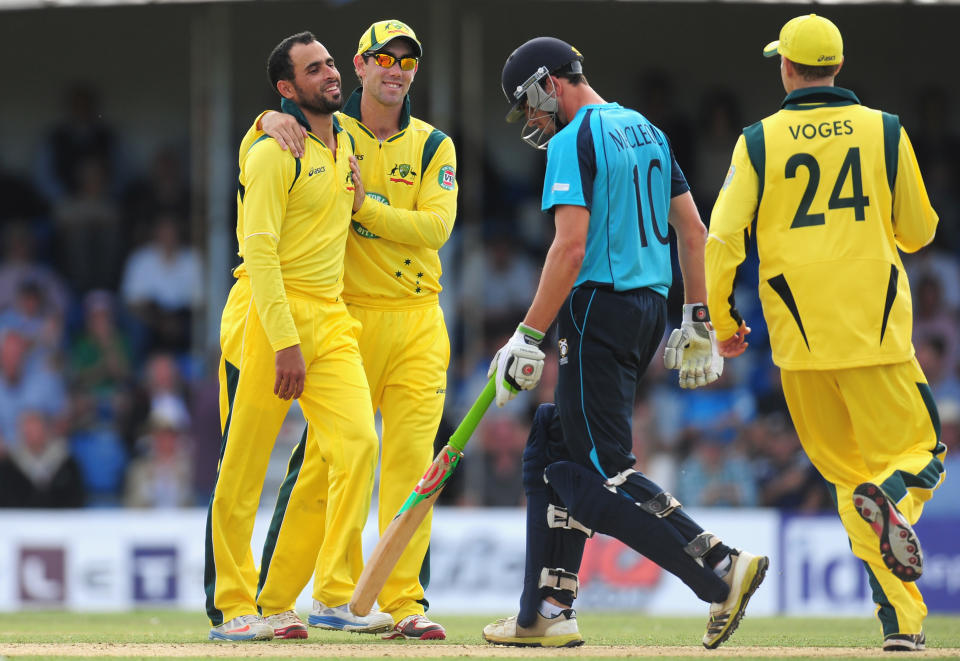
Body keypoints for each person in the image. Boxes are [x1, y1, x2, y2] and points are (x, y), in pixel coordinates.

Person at [481, 37, 768, 650]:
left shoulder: (571, 140)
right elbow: (692, 230)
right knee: (551, 445)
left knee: (600, 473)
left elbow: (570, 249)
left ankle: (720, 567)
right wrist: (697, 317)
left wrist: (527, 334)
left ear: (547, 84)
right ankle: (545, 608)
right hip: (648, 312)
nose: (532, 121)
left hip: (596, 308)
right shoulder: (649, 131)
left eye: (527, 105)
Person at [705, 15, 944, 652]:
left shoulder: (757, 141)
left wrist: (724, 323)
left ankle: (901, 622)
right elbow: (919, 232)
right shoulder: (884, 130)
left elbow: (723, 238)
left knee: (847, 481)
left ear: (786, 68)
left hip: (798, 342)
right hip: (875, 331)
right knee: (925, 455)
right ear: (838, 66)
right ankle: (891, 497)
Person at [242, 19, 456, 641]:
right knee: (325, 465)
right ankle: (280, 598)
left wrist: (369, 209)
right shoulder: (334, 132)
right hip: (349, 315)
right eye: (381, 58)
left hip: (420, 320)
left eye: (407, 60)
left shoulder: (433, 143)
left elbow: (435, 229)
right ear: (359, 67)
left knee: (414, 468)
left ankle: (403, 600)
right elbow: (270, 155)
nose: (395, 69)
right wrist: (266, 117)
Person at [203, 31, 385, 642]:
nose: (331, 73)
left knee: (358, 445)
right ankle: (234, 608)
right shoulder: (272, 148)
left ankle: (333, 594)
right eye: (314, 69)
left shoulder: (346, 143)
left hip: (330, 316)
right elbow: (258, 252)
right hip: (263, 315)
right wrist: (283, 340)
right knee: (243, 469)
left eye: (331, 63)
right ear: (287, 89)